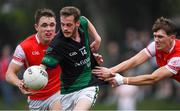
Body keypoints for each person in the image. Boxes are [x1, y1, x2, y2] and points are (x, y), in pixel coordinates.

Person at [40, 6, 107, 110]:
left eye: (69, 25)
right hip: (67, 91)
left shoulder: (82, 24)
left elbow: (85, 20)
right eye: (62, 24)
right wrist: (32, 78)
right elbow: (43, 66)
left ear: (77, 23)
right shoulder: (57, 44)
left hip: (88, 85)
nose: (65, 28)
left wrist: (97, 37)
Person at [92, 17, 180, 87]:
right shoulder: (156, 45)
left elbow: (154, 79)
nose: (156, 40)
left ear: (172, 38)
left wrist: (124, 80)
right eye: (155, 36)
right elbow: (135, 61)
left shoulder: (177, 56)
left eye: (160, 37)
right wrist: (110, 71)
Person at [5, 8, 62, 110]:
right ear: (36, 27)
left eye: (52, 25)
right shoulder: (24, 47)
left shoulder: (62, 42)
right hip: (35, 98)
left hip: (58, 93)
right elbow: (9, 74)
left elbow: (81, 21)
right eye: (44, 25)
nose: (48, 29)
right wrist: (19, 83)